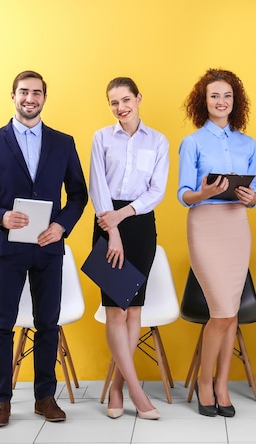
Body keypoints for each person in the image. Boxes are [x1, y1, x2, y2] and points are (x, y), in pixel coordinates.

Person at [0, 70, 88, 427]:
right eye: (23, 92)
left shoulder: (63, 143)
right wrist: (0, 216)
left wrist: (62, 225)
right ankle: (1, 400)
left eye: (36, 92)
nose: (29, 98)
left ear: (44, 98)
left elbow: (79, 194)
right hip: (7, 249)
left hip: (49, 248)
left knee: (47, 323)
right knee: (1, 325)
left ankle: (45, 397)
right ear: (13, 96)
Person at [178, 68, 256, 418]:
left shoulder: (249, 144)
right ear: (203, 101)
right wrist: (204, 192)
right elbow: (183, 194)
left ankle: (222, 384)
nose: (221, 101)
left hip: (237, 226)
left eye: (227, 95)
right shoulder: (193, 142)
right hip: (205, 225)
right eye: (215, 95)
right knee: (222, 311)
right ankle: (204, 381)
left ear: (235, 101)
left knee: (231, 316)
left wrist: (250, 197)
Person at [89, 77, 168, 421]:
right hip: (108, 222)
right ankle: (137, 391)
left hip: (140, 225)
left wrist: (123, 217)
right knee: (115, 310)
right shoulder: (101, 138)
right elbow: (97, 185)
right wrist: (113, 229)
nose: (120, 107)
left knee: (134, 310)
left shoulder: (159, 141)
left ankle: (119, 387)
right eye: (113, 102)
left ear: (139, 98)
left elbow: (157, 190)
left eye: (125, 100)